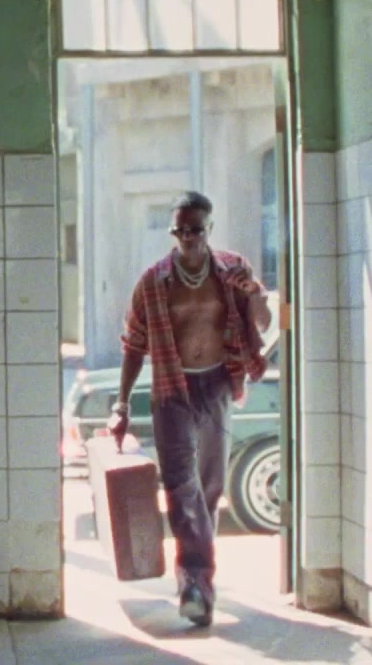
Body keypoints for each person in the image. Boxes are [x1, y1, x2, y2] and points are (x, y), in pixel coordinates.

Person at [110, 190, 272, 626]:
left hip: (217, 383)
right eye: (179, 230)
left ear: (209, 229)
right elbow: (133, 345)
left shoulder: (233, 270)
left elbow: (262, 323)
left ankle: (199, 581)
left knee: (210, 487)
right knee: (182, 487)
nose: (187, 238)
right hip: (172, 389)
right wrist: (121, 403)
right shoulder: (153, 281)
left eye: (195, 229)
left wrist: (253, 293)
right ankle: (194, 584)